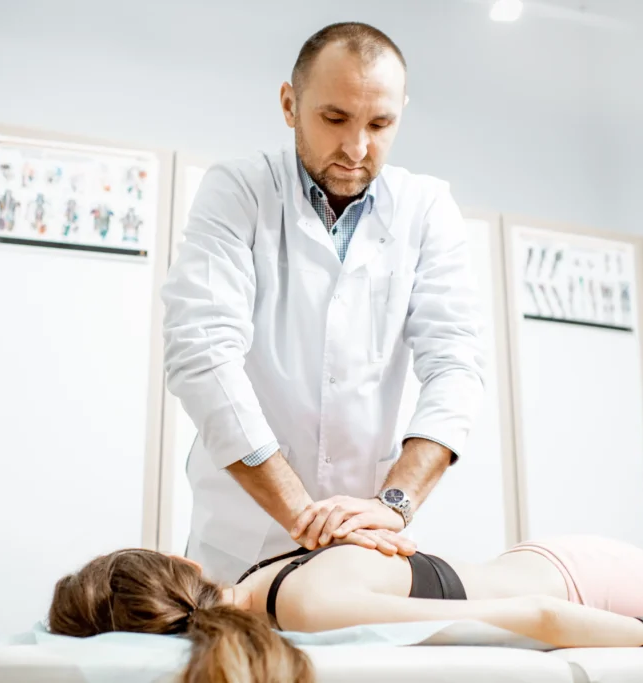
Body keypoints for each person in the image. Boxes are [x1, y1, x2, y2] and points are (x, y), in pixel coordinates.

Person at [161, 20, 489, 585]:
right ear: (290, 104)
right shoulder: (239, 191)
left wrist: (396, 504)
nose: (356, 148)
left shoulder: (427, 208)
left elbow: (456, 366)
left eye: (380, 123)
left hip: (368, 534)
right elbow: (203, 355)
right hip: (240, 532)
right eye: (334, 118)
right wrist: (303, 516)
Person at [48, 535, 643, 683]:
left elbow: (537, 617)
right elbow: (533, 617)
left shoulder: (299, 606)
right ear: (183, 566)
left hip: (589, 583)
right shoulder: (273, 578)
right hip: (574, 574)